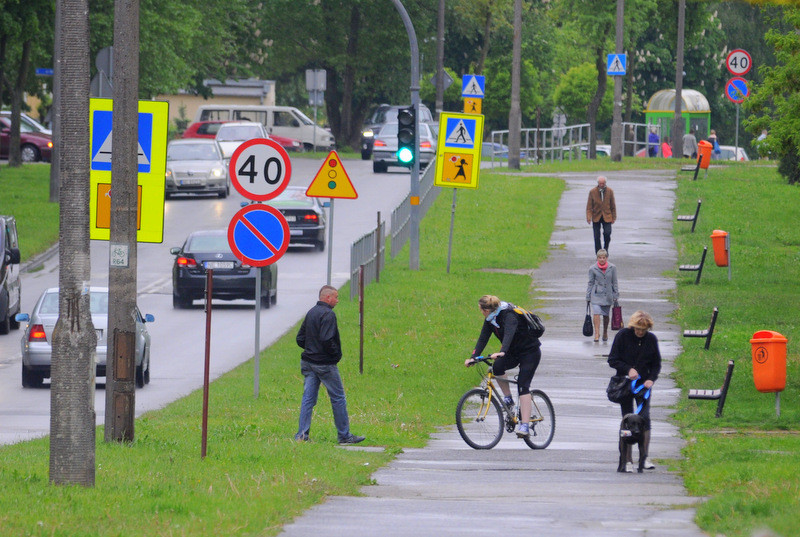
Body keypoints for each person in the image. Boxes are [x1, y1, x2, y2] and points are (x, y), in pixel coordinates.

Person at [294, 285, 365, 444]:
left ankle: (301, 435)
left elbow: (300, 338)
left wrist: (311, 348)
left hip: (308, 362)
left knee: (308, 399)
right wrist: (335, 355)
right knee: (338, 398)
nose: (338, 300)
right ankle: (344, 436)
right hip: (325, 364)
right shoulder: (328, 315)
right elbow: (327, 340)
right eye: (336, 297)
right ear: (327, 298)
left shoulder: (311, 312)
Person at [464, 295, 542, 438]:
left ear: (486, 310)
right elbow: (483, 338)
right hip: (513, 352)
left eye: (480, 309)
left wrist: (502, 351)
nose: (480, 312)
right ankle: (508, 399)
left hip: (529, 352)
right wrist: (473, 357)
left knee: (523, 386)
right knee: (497, 367)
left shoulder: (509, 315)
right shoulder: (490, 320)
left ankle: (524, 426)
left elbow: (509, 334)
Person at [607, 310, 662, 472]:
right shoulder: (622, 336)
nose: (640, 333)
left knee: (644, 418)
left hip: (643, 386)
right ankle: (628, 460)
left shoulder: (651, 340)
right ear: (633, 326)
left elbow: (656, 364)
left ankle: (644, 457)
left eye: (644, 330)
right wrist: (628, 369)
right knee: (628, 420)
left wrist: (651, 378)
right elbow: (613, 360)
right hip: (626, 384)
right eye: (638, 329)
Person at [586, 249, 619, 342]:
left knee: (605, 315)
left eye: (604, 258)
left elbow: (614, 282)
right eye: (600, 258)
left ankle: (605, 331)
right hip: (596, 295)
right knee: (596, 312)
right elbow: (590, 282)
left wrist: (616, 295)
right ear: (597, 258)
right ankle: (597, 333)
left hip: (608, 295)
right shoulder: (592, 268)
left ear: (607, 258)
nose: (602, 260)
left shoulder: (612, 268)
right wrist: (588, 296)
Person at [586, 176, 616, 254]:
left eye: (603, 183)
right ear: (598, 183)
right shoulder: (592, 192)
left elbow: (613, 205)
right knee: (596, 236)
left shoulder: (610, 191)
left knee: (607, 233)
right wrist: (588, 217)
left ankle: (605, 249)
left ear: (605, 183)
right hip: (596, 216)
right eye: (600, 183)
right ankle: (598, 253)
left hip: (607, 216)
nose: (602, 185)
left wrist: (614, 217)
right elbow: (589, 206)